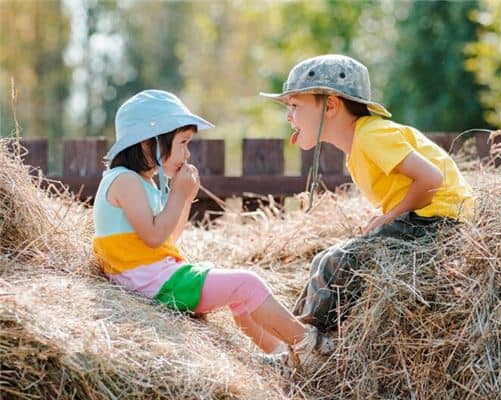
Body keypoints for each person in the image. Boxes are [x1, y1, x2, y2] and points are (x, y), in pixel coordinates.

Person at [92, 89, 332, 367]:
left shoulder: (142, 182)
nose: (187, 152)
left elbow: (169, 238)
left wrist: (183, 199)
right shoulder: (125, 181)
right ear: (149, 145)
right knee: (247, 284)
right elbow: (155, 236)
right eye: (182, 142)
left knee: (241, 299)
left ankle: (280, 357)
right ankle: (311, 346)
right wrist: (178, 195)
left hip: (154, 278)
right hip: (150, 284)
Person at [260, 54, 474, 332]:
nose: (289, 116)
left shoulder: (371, 135)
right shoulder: (358, 146)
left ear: (331, 105)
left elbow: (432, 179)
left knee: (336, 263)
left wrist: (389, 218)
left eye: (295, 105)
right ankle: (291, 340)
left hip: (439, 221)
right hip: (425, 218)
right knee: (323, 261)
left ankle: (307, 348)